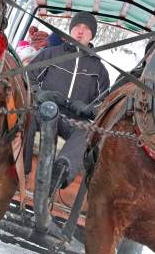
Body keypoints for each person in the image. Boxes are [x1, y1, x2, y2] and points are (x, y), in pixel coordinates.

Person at [24, 11, 110, 191]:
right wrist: (38, 94)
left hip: (75, 121)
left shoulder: (99, 69)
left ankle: (60, 174)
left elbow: (105, 104)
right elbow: (28, 76)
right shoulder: (51, 54)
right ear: (71, 30)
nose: (81, 31)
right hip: (45, 110)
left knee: (86, 134)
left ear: (92, 34)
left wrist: (89, 110)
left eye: (86, 29)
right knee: (27, 118)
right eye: (78, 26)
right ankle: (22, 171)